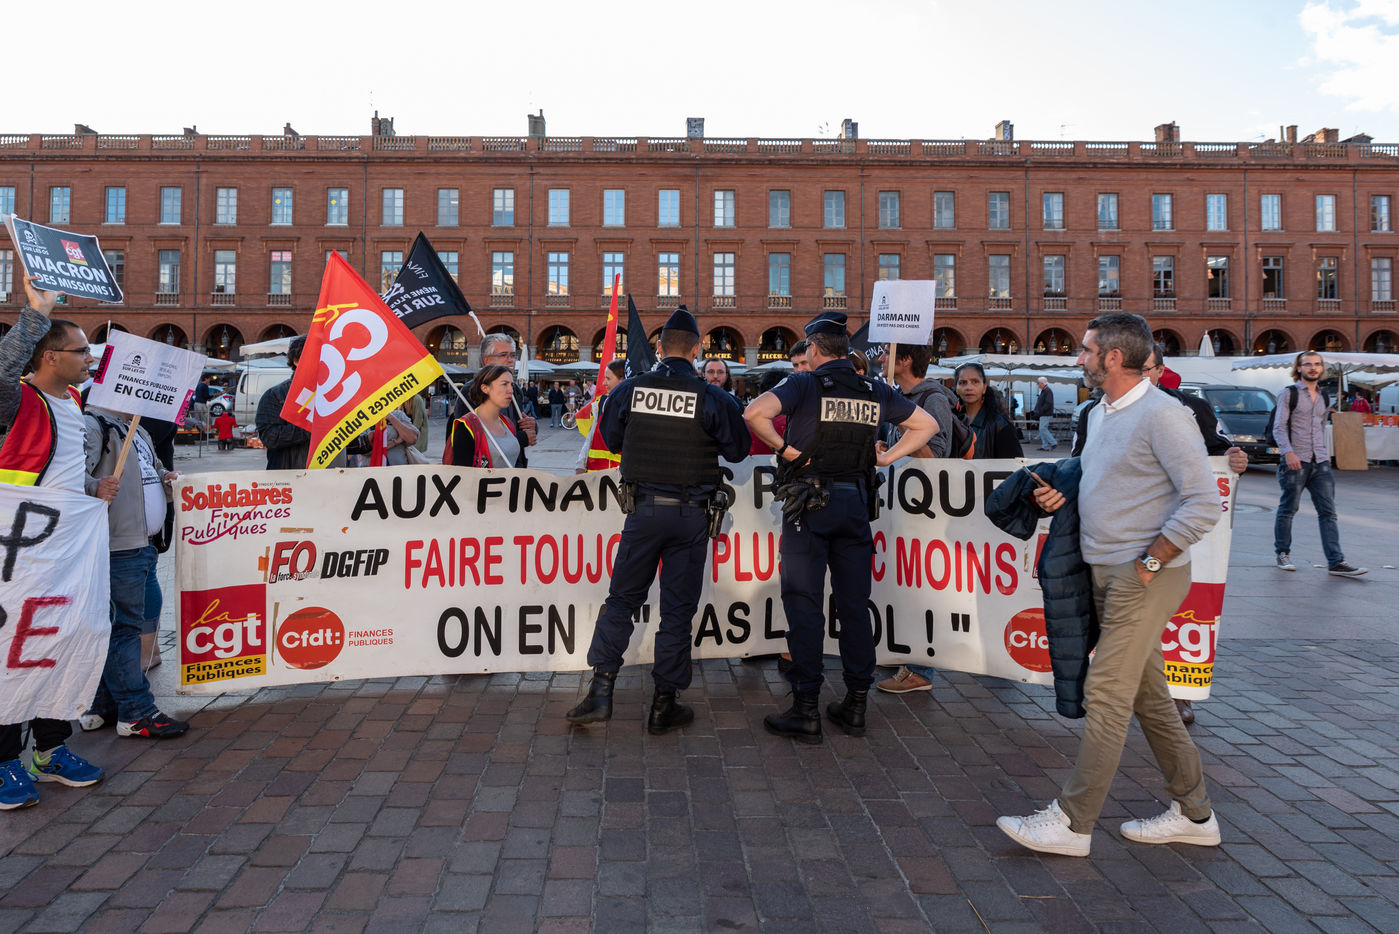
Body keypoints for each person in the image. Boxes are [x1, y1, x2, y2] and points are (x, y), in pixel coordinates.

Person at [997, 313, 1222, 857]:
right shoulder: (1099, 412)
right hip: (1105, 572)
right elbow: (1101, 479)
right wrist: (1060, 493)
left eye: (1086, 349)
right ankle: (1196, 815)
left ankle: (1073, 824)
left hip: (1143, 577)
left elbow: (1203, 503)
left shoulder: (1164, 416)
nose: (1079, 358)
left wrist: (1150, 562)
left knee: (1106, 694)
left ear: (1114, 358)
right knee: (1151, 701)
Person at [745, 311, 937, 744]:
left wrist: (788, 451)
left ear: (813, 349)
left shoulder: (804, 384)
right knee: (854, 607)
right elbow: (927, 425)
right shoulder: (873, 388)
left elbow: (754, 413)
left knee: (804, 605)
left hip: (809, 506)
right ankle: (855, 705)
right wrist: (886, 458)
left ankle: (806, 708)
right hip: (855, 506)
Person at [566, 308, 749, 734]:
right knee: (677, 610)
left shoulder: (629, 390)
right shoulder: (713, 396)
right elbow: (738, 449)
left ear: (660, 347)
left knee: (621, 600)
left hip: (644, 511)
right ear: (697, 349)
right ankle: (665, 703)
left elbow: (611, 439)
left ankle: (600, 692)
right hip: (692, 515)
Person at [1070, 342, 1249, 724]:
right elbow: (1078, 464)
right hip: (1115, 552)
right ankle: (1163, 714)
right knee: (1137, 645)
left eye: (1147, 369)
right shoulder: (1095, 411)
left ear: (1159, 371)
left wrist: (1233, 459)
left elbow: (1215, 458)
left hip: (1168, 544)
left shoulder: (1183, 409)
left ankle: (1179, 692)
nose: (1140, 375)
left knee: (1182, 619)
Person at [0, 276, 116, 810]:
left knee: (62, 642)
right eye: (80, 351)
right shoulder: (15, 399)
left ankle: (50, 750)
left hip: (64, 554)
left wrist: (93, 488)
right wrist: (35, 315)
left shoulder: (72, 403)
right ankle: (4, 759)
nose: (90, 359)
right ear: (50, 357)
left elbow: (59, 473)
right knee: (12, 651)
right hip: (17, 556)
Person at [878, 360, 1022, 696]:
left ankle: (934, 663)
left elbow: (1007, 468)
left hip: (976, 510)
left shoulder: (991, 421)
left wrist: (909, 432)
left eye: (974, 382)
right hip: (945, 510)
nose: (968, 388)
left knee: (973, 584)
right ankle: (917, 659)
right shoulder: (947, 408)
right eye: (962, 382)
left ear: (985, 387)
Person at [81, 405, 190, 740]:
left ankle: (102, 705)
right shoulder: (93, 425)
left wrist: (168, 479)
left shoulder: (136, 429)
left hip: (143, 544)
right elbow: (67, 477)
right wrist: (94, 487)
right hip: (119, 545)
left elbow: (154, 471)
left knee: (118, 627)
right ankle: (136, 711)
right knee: (124, 629)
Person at [1273, 351, 1366, 579]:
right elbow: (1279, 427)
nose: (1313, 368)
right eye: (1308, 364)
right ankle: (1282, 554)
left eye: (1317, 364)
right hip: (1296, 461)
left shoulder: (1324, 396)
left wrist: (1324, 455)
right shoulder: (1289, 394)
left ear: (1322, 368)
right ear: (1299, 368)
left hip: (1320, 461)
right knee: (1288, 510)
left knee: (1328, 513)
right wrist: (1288, 453)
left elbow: (1321, 426)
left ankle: (1336, 562)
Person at [255, 335, 344, 469]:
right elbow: (270, 437)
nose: (322, 363)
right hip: (290, 476)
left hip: (330, 476)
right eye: (315, 357)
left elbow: (339, 438)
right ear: (296, 361)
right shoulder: (275, 395)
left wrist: (366, 442)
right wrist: (311, 428)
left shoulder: (332, 394)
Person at [477, 334, 536, 465]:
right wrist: (523, 438)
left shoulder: (515, 390)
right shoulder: (473, 389)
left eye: (513, 355)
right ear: (487, 360)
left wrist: (531, 426)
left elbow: (517, 425)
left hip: (515, 466)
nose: (510, 360)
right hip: (489, 470)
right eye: (503, 355)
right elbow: (475, 436)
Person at [888, 344, 956, 458]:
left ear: (906, 360)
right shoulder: (899, 396)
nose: (881, 359)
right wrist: (888, 448)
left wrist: (898, 415)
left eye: (887, 353)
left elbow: (930, 458)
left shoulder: (934, 399)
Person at [448, 366, 520, 468]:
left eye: (511, 385)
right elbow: (463, 473)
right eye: (504, 384)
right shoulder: (467, 426)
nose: (511, 390)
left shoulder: (507, 423)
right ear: (485, 388)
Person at [575, 360, 625, 473]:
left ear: (622, 380)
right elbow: (590, 438)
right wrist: (580, 465)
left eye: (608, 379)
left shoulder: (633, 408)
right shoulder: (600, 404)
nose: (603, 383)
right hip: (593, 476)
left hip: (619, 478)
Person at [380, 400, 421, 466]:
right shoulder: (364, 422)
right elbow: (365, 450)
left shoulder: (397, 415)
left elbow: (412, 438)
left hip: (399, 468)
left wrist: (390, 417)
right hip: (373, 469)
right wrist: (396, 441)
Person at [1034, 376, 1057, 450]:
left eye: (1038, 383)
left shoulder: (1047, 391)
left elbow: (1048, 403)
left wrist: (1040, 410)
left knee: (1043, 428)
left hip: (1045, 413)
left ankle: (1053, 442)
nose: (1037, 385)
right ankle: (1045, 445)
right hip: (1043, 413)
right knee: (1042, 429)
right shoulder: (1044, 390)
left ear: (1042, 383)